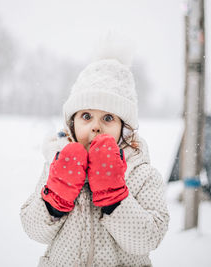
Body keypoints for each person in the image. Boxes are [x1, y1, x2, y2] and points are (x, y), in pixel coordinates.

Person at [20, 57, 169, 266]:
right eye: (86, 116)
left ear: (123, 128)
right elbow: (34, 230)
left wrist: (115, 198)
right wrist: (54, 202)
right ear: (72, 124)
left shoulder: (142, 174)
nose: (95, 127)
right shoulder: (56, 166)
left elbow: (149, 238)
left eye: (108, 118)